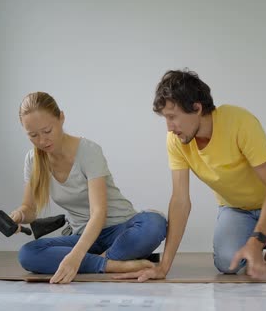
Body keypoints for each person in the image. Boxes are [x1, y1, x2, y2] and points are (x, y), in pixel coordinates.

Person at [115, 69, 266, 282]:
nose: (169, 128)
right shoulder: (176, 141)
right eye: (165, 119)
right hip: (236, 208)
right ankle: (264, 234)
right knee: (228, 264)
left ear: (196, 108)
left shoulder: (240, 123)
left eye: (172, 117)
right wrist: (164, 267)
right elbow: (180, 201)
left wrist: (256, 242)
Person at [11, 92, 167, 284]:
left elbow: (98, 213)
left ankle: (96, 261)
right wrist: (18, 216)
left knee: (154, 224)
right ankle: (113, 264)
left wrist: (76, 257)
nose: (42, 141)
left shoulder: (88, 151)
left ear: (61, 117)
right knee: (28, 253)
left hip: (120, 230)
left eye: (47, 131)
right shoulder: (32, 160)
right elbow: (30, 210)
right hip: (83, 236)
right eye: (33, 135)